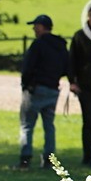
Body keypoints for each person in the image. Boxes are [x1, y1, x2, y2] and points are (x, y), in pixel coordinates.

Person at [16, 14, 69, 170]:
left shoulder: (38, 45)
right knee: (49, 126)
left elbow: (28, 67)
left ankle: (25, 160)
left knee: (27, 125)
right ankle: (49, 160)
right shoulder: (60, 45)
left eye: (35, 25)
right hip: (53, 89)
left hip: (35, 89)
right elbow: (67, 67)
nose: (33, 28)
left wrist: (26, 84)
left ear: (41, 27)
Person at [69, 5, 91, 166]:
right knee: (89, 121)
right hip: (86, 85)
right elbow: (72, 61)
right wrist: (72, 82)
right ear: (89, 16)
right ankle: (87, 156)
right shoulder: (80, 36)